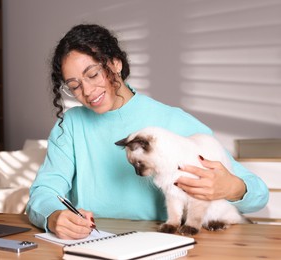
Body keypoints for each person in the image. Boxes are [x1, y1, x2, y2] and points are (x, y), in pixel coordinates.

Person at [26, 24, 269, 239]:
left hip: (159, 243)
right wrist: (53, 216)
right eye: (74, 86)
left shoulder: (175, 122)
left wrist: (231, 187)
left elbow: (257, 193)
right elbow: (44, 192)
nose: (87, 91)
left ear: (115, 63)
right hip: (92, 242)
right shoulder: (70, 125)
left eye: (93, 74)